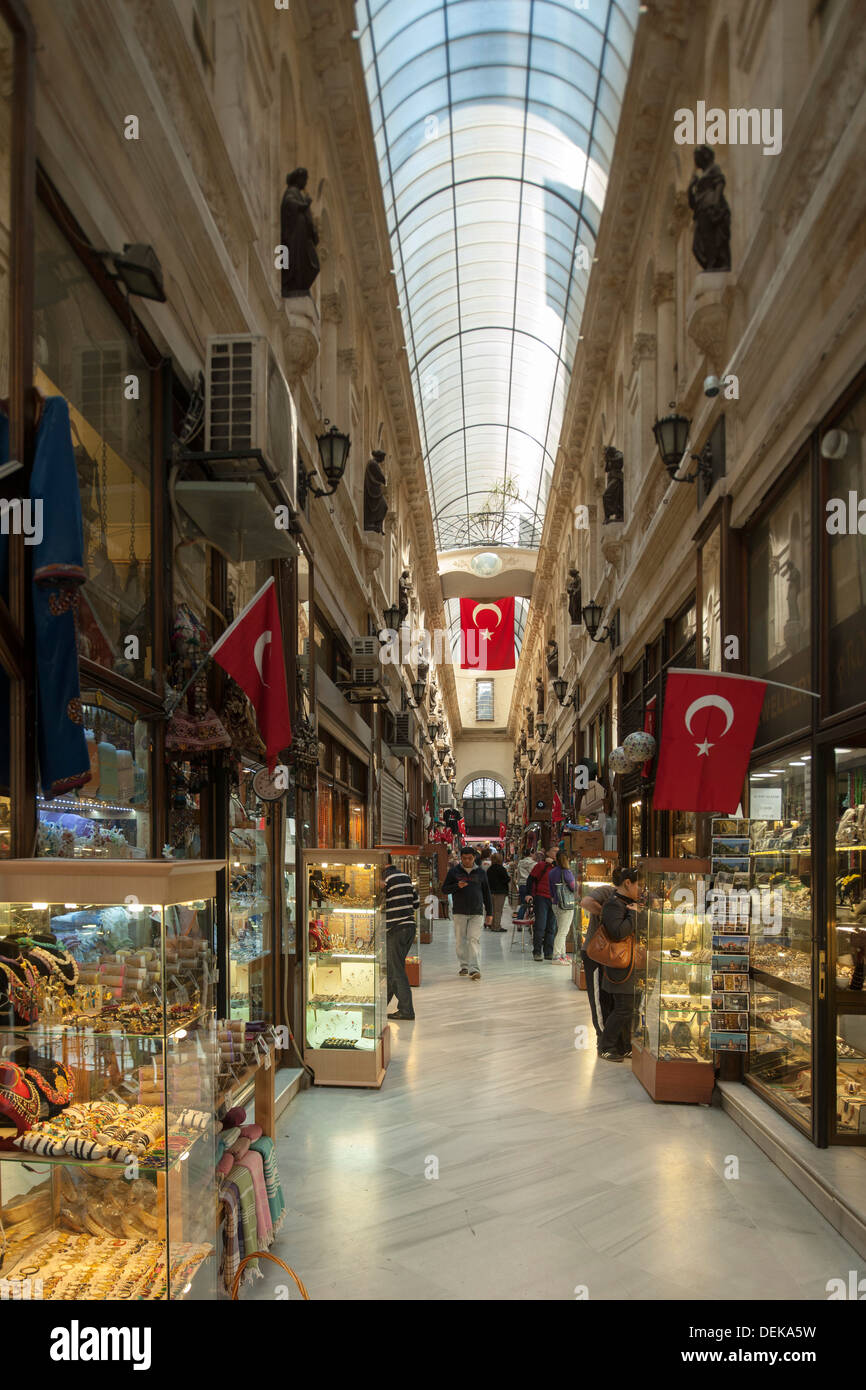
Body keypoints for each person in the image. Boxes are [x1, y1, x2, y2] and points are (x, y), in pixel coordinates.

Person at [597, 865, 643, 1061]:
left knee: (629, 1007)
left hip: (630, 963)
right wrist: (634, 914)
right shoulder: (613, 904)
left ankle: (624, 1047)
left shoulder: (627, 902)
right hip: (619, 966)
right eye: (639, 885)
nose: (641, 889)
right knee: (623, 1007)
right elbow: (617, 932)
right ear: (627, 883)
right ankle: (606, 1047)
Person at [442, 847, 493, 980]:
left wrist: (490, 913)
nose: (467, 861)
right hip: (459, 911)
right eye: (464, 858)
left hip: (477, 912)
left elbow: (487, 893)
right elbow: (444, 889)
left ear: (474, 857)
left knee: (473, 939)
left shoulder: (481, 872)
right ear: (461, 858)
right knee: (460, 940)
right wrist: (456, 886)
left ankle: (474, 969)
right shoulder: (454, 872)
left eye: (469, 858)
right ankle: (464, 965)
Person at [580, 879, 616, 1045]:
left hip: (613, 957)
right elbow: (586, 902)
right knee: (598, 998)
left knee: (610, 998)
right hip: (594, 954)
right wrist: (604, 914)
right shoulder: (607, 892)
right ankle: (603, 1039)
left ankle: (611, 1037)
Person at [383, 859, 419, 1021]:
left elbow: (379, 904)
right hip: (409, 927)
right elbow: (416, 903)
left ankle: (406, 1009)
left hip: (395, 929)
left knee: (396, 970)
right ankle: (382, 1005)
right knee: (393, 969)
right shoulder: (405, 876)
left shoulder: (384, 879)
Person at [527, 847, 557, 961]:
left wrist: (554, 863)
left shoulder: (559, 866)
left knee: (551, 926)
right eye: (554, 851)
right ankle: (537, 952)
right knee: (540, 925)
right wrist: (529, 894)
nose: (556, 853)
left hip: (554, 899)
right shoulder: (541, 865)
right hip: (541, 897)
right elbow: (531, 879)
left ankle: (548, 952)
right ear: (548, 853)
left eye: (558, 851)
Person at [548, 851, 576, 964]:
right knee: (563, 932)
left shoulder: (552, 872)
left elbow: (550, 889)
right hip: (566, 904)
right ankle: (556, 956)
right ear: (566, 859)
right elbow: (574, 887)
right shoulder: (567, 872)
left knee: (561, 929)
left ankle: (562, 955)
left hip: (555, 903)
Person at [485, 853, 510, 932]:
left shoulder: (489, 869)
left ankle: (491, 924)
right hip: (500, 892)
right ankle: (496, 926)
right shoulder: (501, 869)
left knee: (492, 910)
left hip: (491, 892)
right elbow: (506, 879)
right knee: (498, 910)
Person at [514, 849, 538, 926]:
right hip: (530, 885)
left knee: (523, 904)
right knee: (531, 904)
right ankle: (528, 922)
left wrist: (517, 884)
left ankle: (520, 921)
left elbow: (518, 875)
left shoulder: (520, 863)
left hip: (522, 884)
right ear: (531, 854)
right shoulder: (534, 864)